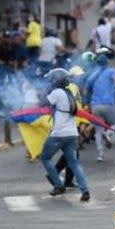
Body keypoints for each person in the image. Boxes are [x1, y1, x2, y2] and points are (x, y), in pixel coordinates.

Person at [39, 69, 90, 201]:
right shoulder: (69, 93)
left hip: (58, 132)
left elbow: (43, 102)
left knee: (45, 158)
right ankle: (85, 190)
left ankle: (58, 184)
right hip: (72, 133)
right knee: (74, 163)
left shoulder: (57, 92)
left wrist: (47, 89)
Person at [85, 50, 115, 162]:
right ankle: (108, 133)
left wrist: (87, 103)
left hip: (95, 105)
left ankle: (100, 154)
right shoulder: (111, 71)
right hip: (108, 103)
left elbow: (86, 90)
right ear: (107, 62)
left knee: (98, 130)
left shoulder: (93, 74)